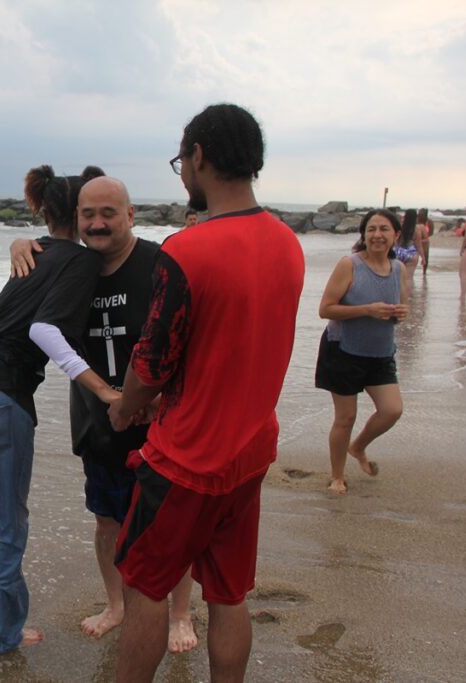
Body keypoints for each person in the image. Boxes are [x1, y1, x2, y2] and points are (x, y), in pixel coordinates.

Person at [107, 103, 305, 682]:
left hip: (186, 459)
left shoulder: (187, 251)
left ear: (199, 156)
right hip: (251, 453)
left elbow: (152, 364)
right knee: (227, 594)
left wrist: (124, 407)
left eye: (181, 160)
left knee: (144, 585)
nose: (183, 174)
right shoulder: (287, 243)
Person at [0, 164, 121, 656]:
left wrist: (18, 242)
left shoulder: (32, 250)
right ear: (77, 216)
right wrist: (104, 391)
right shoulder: (80, 262)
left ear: (45, 210)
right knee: (9, 526)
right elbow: (45, 331)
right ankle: (4, 637)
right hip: (1, 395)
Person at [9, 177, 198, 651]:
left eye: (108, 213)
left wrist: (160, 397)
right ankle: (116, 604)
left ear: (131, 215)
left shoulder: (160, 264)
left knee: (170, 527)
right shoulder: (73, 268)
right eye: (87, 214)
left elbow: (191, 338)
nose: (96, 223)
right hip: (98, 421)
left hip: (160, 424)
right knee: (107, 520)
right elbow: (34, 281)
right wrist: (18, 244)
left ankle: (180, 613)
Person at [316, 209, 408, 495]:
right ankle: (337, 476)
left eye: (384, 229)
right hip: (342, 350)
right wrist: (366, 310)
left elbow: (397, 309)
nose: (377, 235)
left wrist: (400, 314)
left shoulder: (399, 269)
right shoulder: (350, 265)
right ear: (364, 234)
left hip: (380, 353)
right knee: (346, 417)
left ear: (395, 235)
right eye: (371, 229)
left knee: (392, 410)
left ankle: (359, 446)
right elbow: (325, 309)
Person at [395, 209, 421, 282]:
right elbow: (418, 245)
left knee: (397, 277)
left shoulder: (400, 227)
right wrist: (423, 258)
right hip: (411, 253)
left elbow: (395, 240)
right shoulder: (416, 230)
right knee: (408, 278)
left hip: (399, 252)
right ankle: (408, 293)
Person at [417, 208, 432, 275]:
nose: (419, 214)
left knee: (426, 258)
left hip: (425, 242)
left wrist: (425, 237)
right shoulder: (416, 221)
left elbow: (431, 232)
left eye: (421, 213)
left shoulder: (429, 222)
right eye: (419, 213)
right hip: (416, 242)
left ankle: (424, 272)